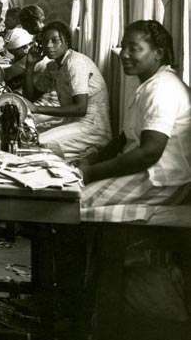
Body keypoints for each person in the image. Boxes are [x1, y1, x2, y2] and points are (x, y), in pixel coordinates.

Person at [78, 20, 191, 215]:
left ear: (159, 53)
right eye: (124, 47)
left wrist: (90, 172)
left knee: (72, 202)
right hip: (149, 172)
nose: (123, 54)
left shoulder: (162, 88)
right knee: (69, 188)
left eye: (134, 49)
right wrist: (90, 160)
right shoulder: (148, 84)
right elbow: (125, 138)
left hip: (164, 180)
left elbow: (150, 152)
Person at [23, 20, 111, 159]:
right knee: (25, 134)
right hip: (71, 121)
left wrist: (38, 109)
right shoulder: (53, 67)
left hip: (92, 128)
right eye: (45, 42)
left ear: (67, 42)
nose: (49, 45)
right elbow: (30, 98)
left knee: (35, 143)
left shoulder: (75, 62)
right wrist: (30, 65)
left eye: (55, 40)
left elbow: (80, 109)